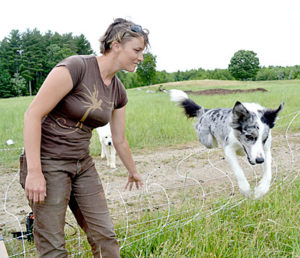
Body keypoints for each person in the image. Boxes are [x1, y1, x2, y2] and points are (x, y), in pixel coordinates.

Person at [20, 18, 149, 257]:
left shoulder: (118, 90)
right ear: (117, 44)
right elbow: (32, 115)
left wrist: (133, 171)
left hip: (82, 164)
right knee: (53, 246)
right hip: (48, 162)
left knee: (105, 237)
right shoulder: (76, 67)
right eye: (137, 50)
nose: (141, 58)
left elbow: (119, 139)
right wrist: (34, 171)